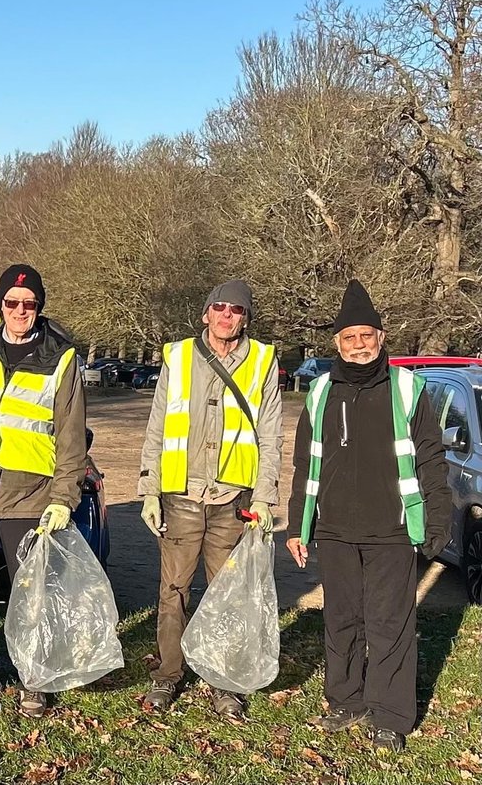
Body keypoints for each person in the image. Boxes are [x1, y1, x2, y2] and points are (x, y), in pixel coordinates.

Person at [286, 280, 450, 752]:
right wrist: (299, 526)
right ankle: (347, 700)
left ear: (381, 338)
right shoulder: (320, 393)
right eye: (349, 338)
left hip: (393, 530)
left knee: (390, 622)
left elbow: (431, 462)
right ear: (337, 343)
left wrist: (436, 522)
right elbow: (304, 465)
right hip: (334, 531)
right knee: (341, 618)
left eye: (366, 336)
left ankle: (391, 716)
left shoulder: (407, 388)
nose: (358, 345)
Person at [137, 279, 282, 718]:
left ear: (245, 318)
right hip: (180, 496)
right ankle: (168, 675)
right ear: (205, 313)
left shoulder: (262, 362)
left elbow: (271, 434)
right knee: (173, 592)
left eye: (236, 310)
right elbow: (158, 426)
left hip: (231, 501)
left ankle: (224, 682)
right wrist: (148, 489)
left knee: (228, 595)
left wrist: (265, 497)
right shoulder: (178, 357)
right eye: (218, 307)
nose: (226, 315)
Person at [0, 264, 87, 717]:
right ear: (0, 305)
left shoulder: (62, 358)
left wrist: (63, 498)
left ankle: (35, 680)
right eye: (11, 303)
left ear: (39, 307)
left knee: (32, 595)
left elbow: (71, 437)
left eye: (29, 304)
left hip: (31, 495)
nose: (20, 311)